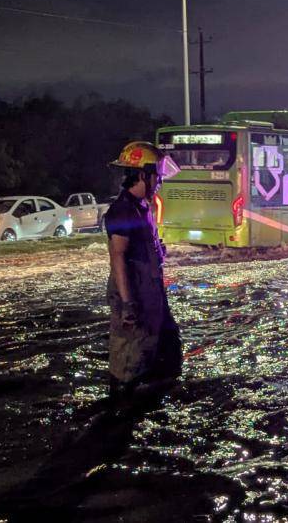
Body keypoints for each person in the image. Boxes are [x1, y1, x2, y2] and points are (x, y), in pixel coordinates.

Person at [104, 141, 183, 405]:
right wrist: (128, 304)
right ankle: (118, 413)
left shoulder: (142, 206)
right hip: (134, 292)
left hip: (151, 291)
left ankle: (152, 403)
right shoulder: (123, 210)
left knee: (166, 345)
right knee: (128, 356)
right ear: (142, 175)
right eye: (156, 176)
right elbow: (118, 256)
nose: (159, 182)